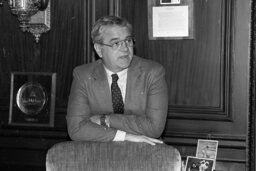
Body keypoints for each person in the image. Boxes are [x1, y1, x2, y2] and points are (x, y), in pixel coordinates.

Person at [66, 15, 168, 145]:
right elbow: (76, 129)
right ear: (99, 49)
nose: (125, 48)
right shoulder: (83, 75)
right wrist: (125, 136)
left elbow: (154, 128)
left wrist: (105, 120)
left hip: (144, 152)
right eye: (116, 43)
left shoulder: (153, 73)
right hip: (98, 154)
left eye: (128, 41)